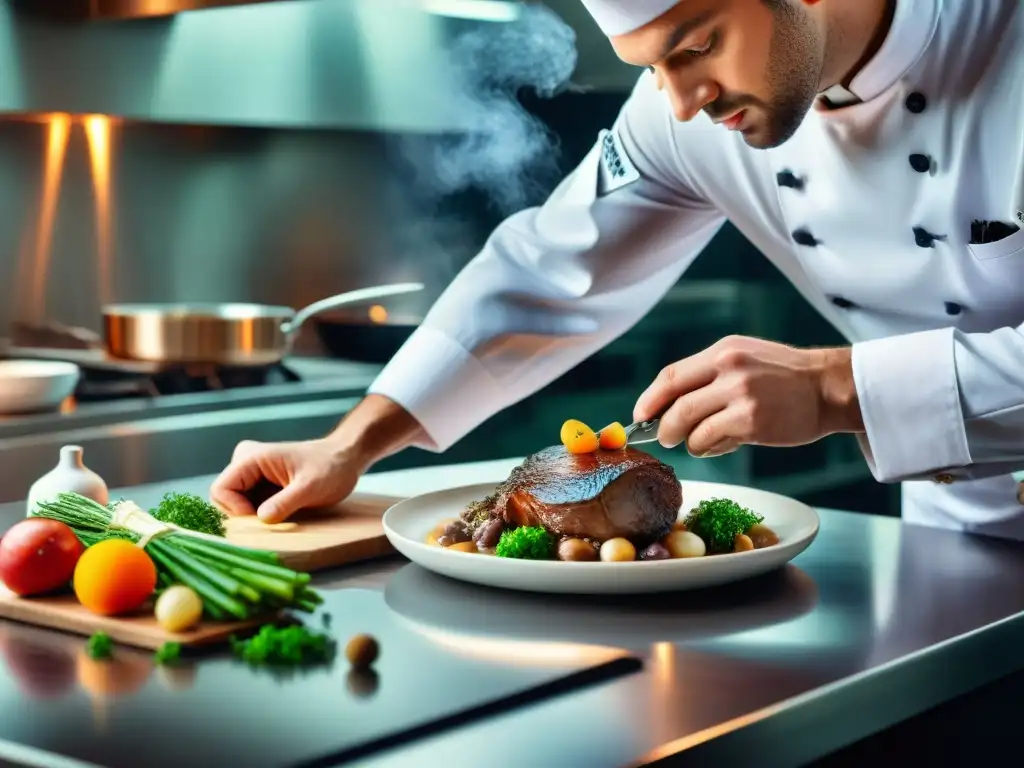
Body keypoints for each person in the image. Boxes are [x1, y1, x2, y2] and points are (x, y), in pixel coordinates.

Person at [211, 0, 1024, 539]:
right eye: (649, 67)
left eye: (697, 46)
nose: (679, 104)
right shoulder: (689, 111)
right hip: (952, 530)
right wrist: (350, 445)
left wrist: (830, 388)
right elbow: (545, 271)